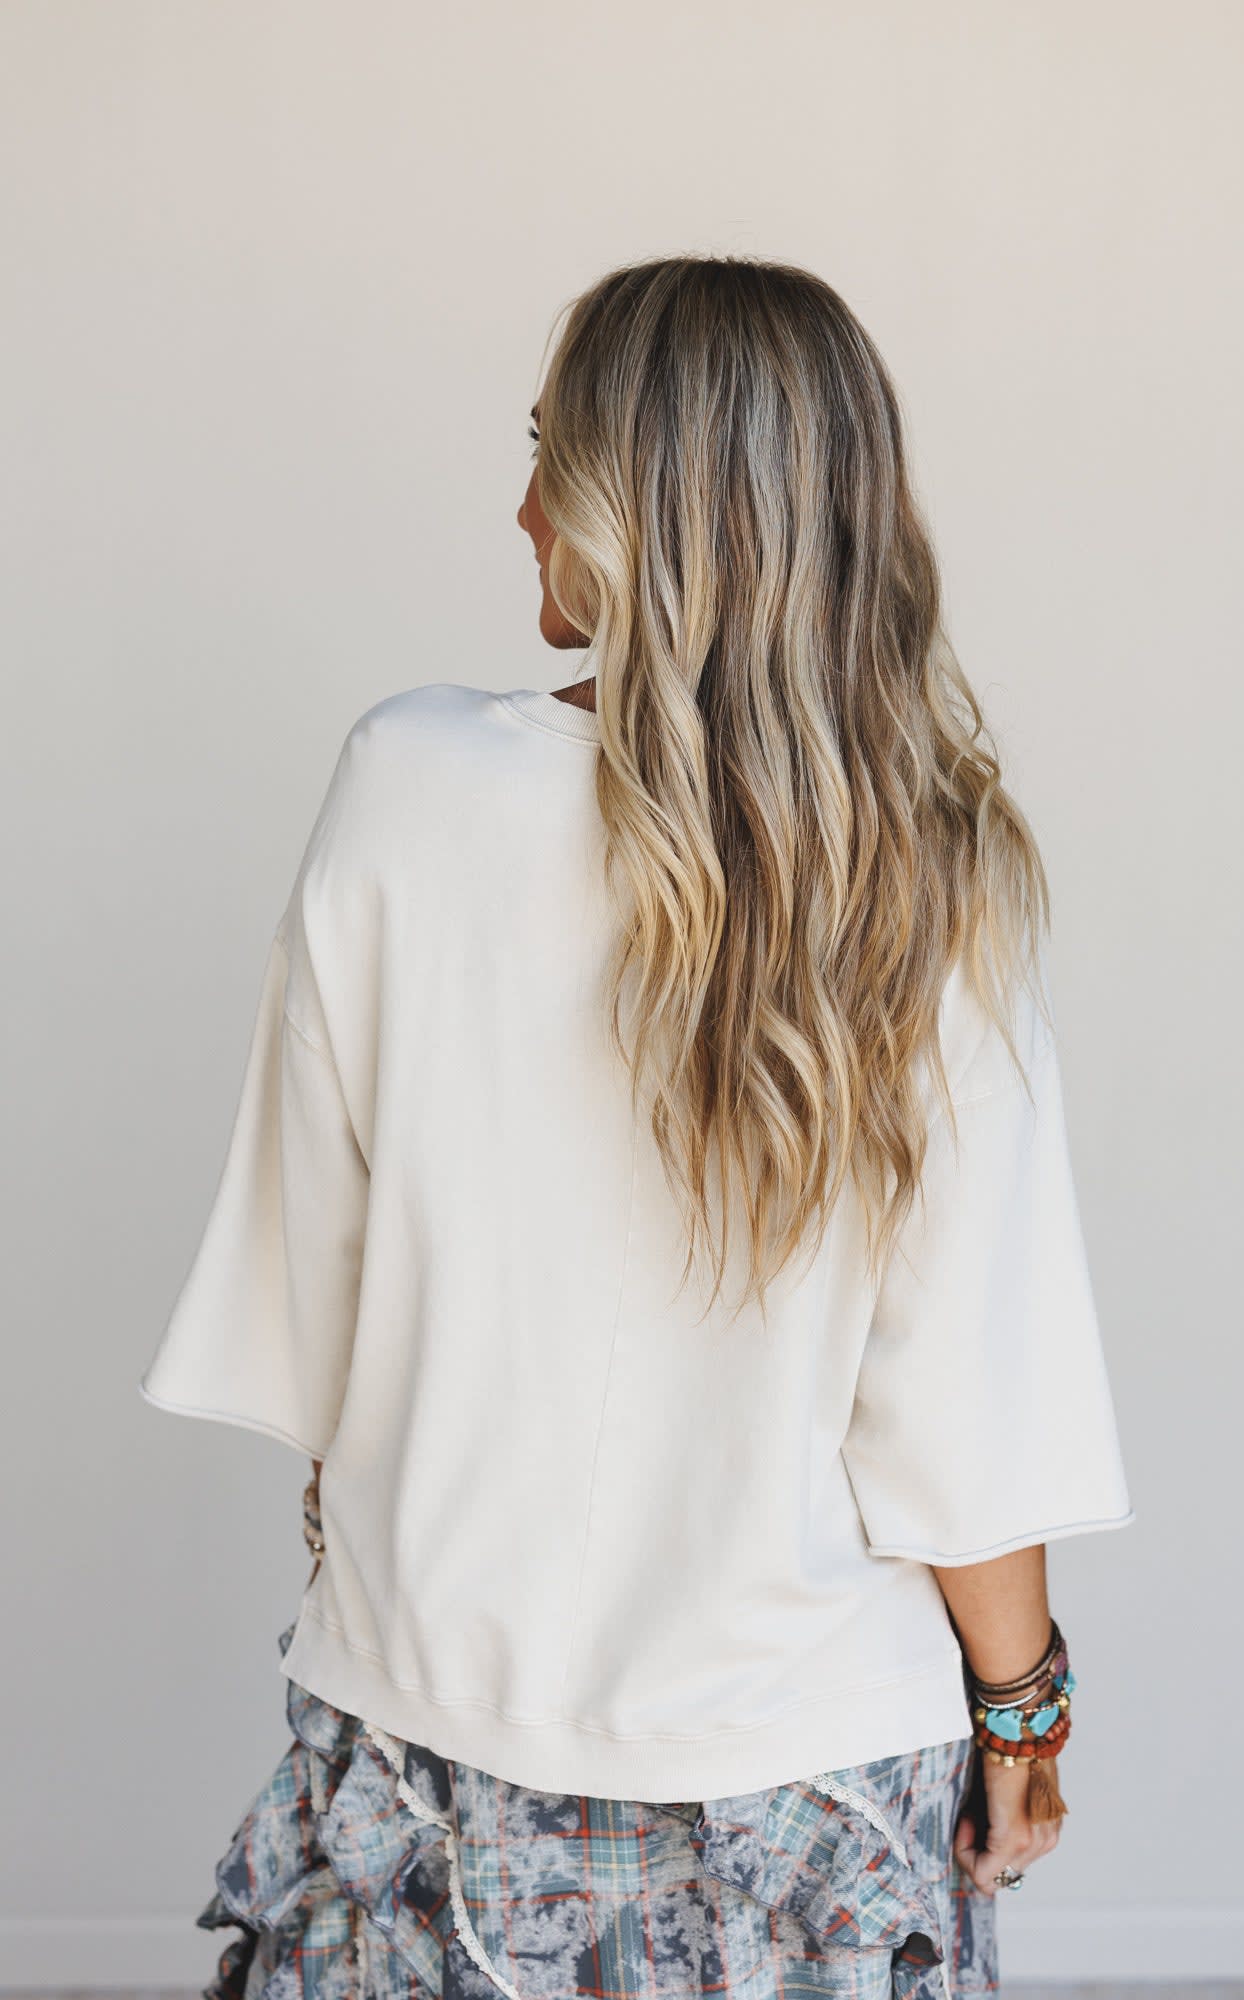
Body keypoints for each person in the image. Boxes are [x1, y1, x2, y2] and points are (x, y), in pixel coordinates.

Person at [139, 254, 1134, 2000]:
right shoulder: (924, 871)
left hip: (430, 1753)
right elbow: (962, 1411)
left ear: (640, 505)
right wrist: (1024, 1715)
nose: (521, 507)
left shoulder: (405, 785)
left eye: (551, 454)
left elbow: (326, 1299)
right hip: (806, 1775)